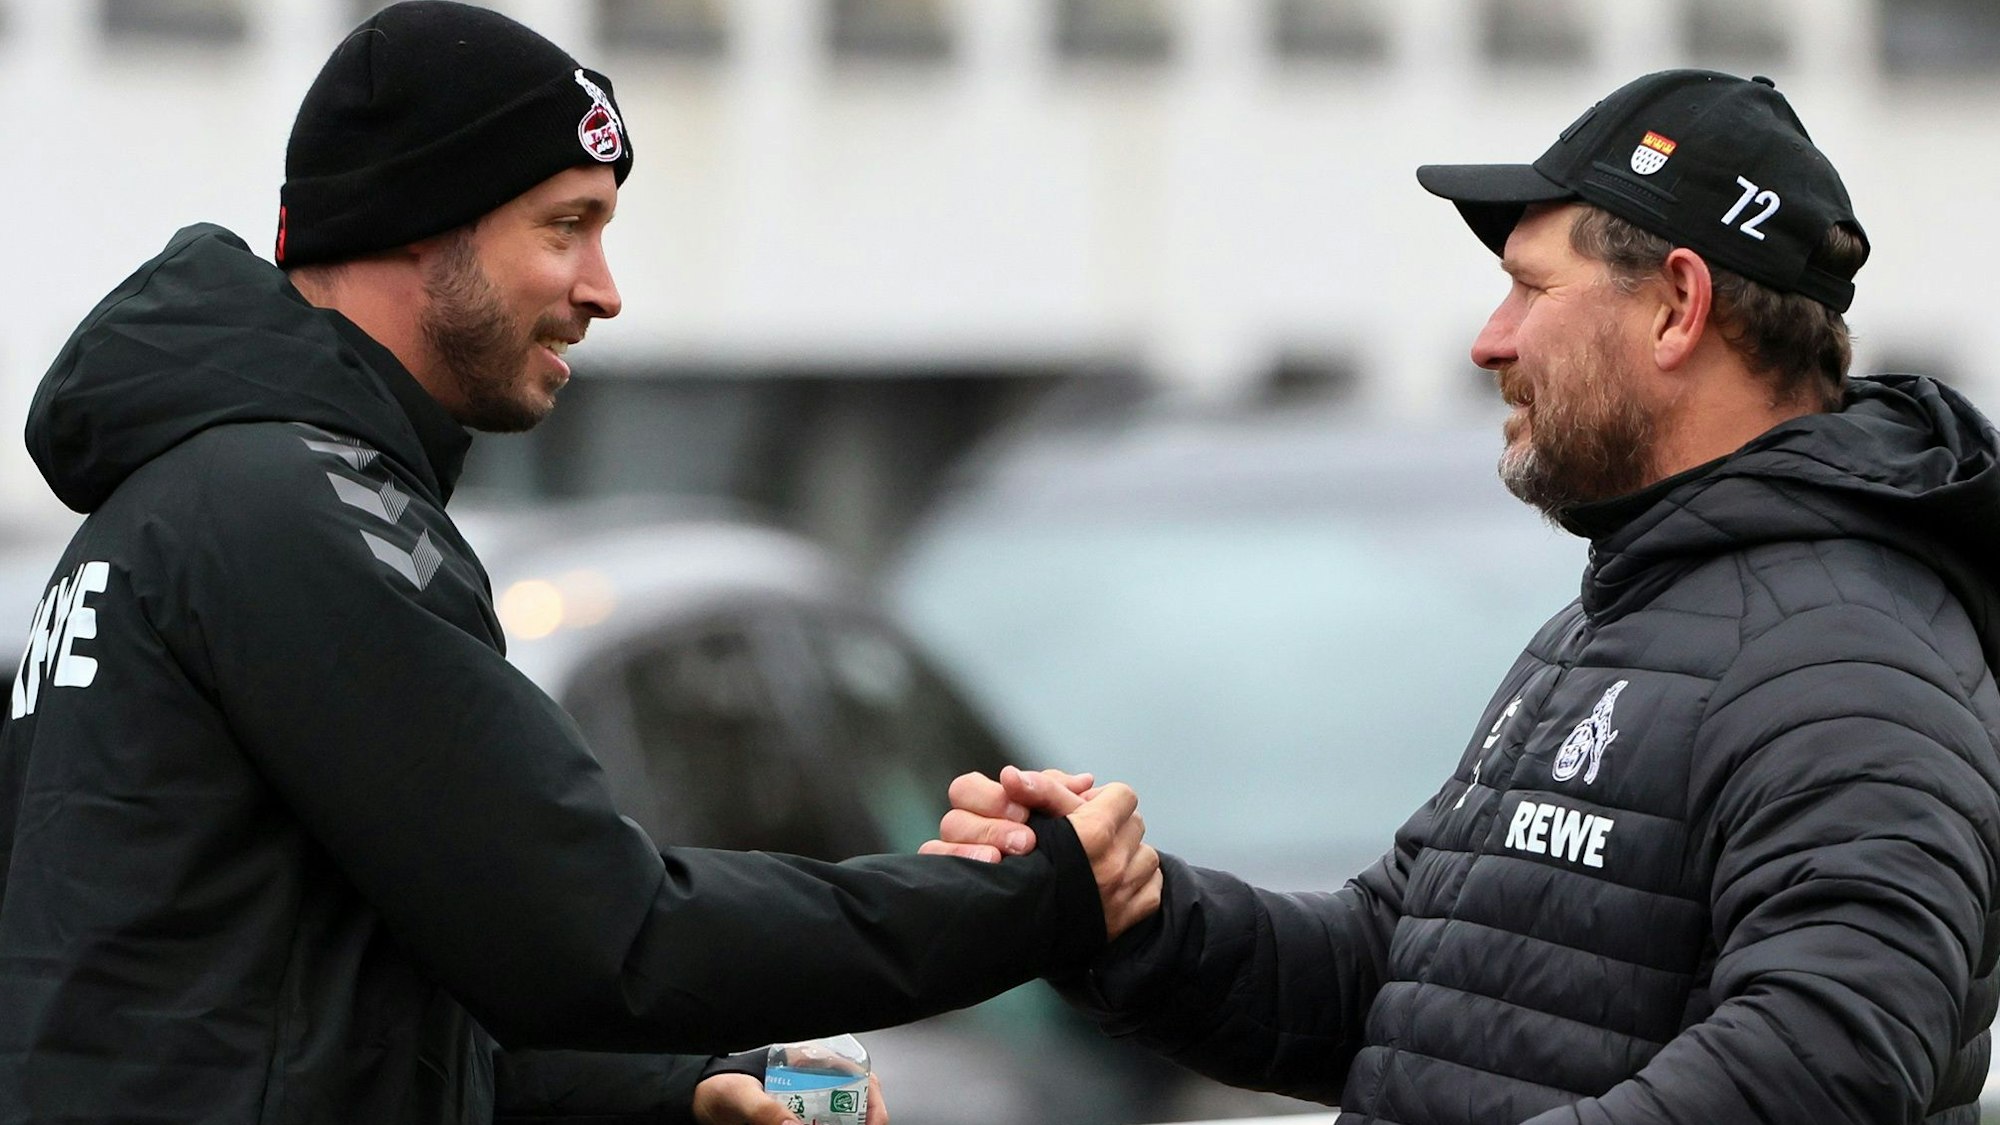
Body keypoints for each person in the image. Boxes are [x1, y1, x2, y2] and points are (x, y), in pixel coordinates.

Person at [0, 4, 1160, 1124]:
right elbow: (602, 934)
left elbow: (310, 1021)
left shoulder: (185, 505)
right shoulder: (298, 515)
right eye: (565, 226)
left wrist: (670, 1088)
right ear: (417, 220)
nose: (603, 289)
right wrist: (1030, 900)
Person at [928, 69, 2000, 1123]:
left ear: (1678, 307)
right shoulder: (1622, 620)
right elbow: (1407, 980)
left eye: (1533, 288)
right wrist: (1128, 915)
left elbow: (1823, 1059)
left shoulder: (1847, 658)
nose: (1491, 339)